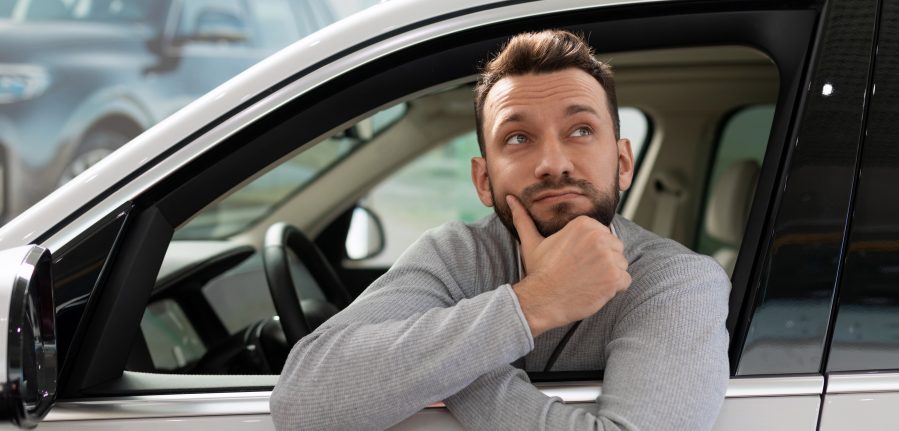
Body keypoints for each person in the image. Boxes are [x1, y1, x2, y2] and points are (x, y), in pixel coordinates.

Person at [270, 30, 730, 430]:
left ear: (623, 162)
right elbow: (303, 403)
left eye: (581, 130)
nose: (553, 163)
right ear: (484, 180)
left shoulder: (677, 282)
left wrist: (453, 370)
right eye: (518, 138)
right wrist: (534, 303)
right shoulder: (456, 255)